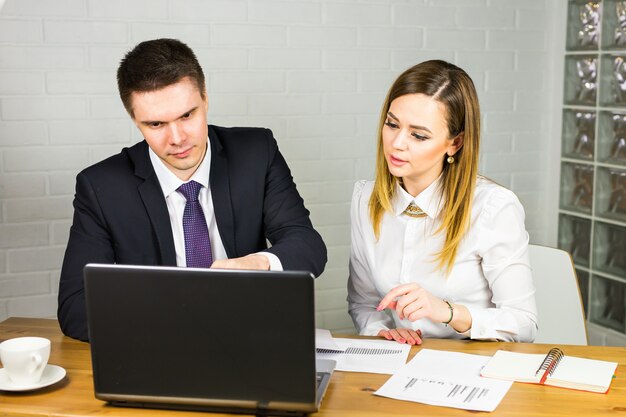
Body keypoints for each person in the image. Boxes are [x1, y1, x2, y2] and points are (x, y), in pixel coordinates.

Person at [58, 38, 327, 341]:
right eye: (156, 124)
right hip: (158, 346)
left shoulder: (256, 152)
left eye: (187, 115)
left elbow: (307, 245)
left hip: (250, 338)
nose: (177, 138)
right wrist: (178, 315)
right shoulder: (101, 187)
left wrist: (259, 263)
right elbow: (74, 309)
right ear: (135, 121)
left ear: (205, 99)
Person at [347, 60, 537, 345]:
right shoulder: (366, 200)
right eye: (392, 124)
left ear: (455, 143)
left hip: (473, 366)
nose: (397, 143)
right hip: (403, 363)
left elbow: (524, 325)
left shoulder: (493, 208)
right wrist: (383, 331)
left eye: (419, 135)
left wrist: (448, 312)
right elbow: (364, 304)